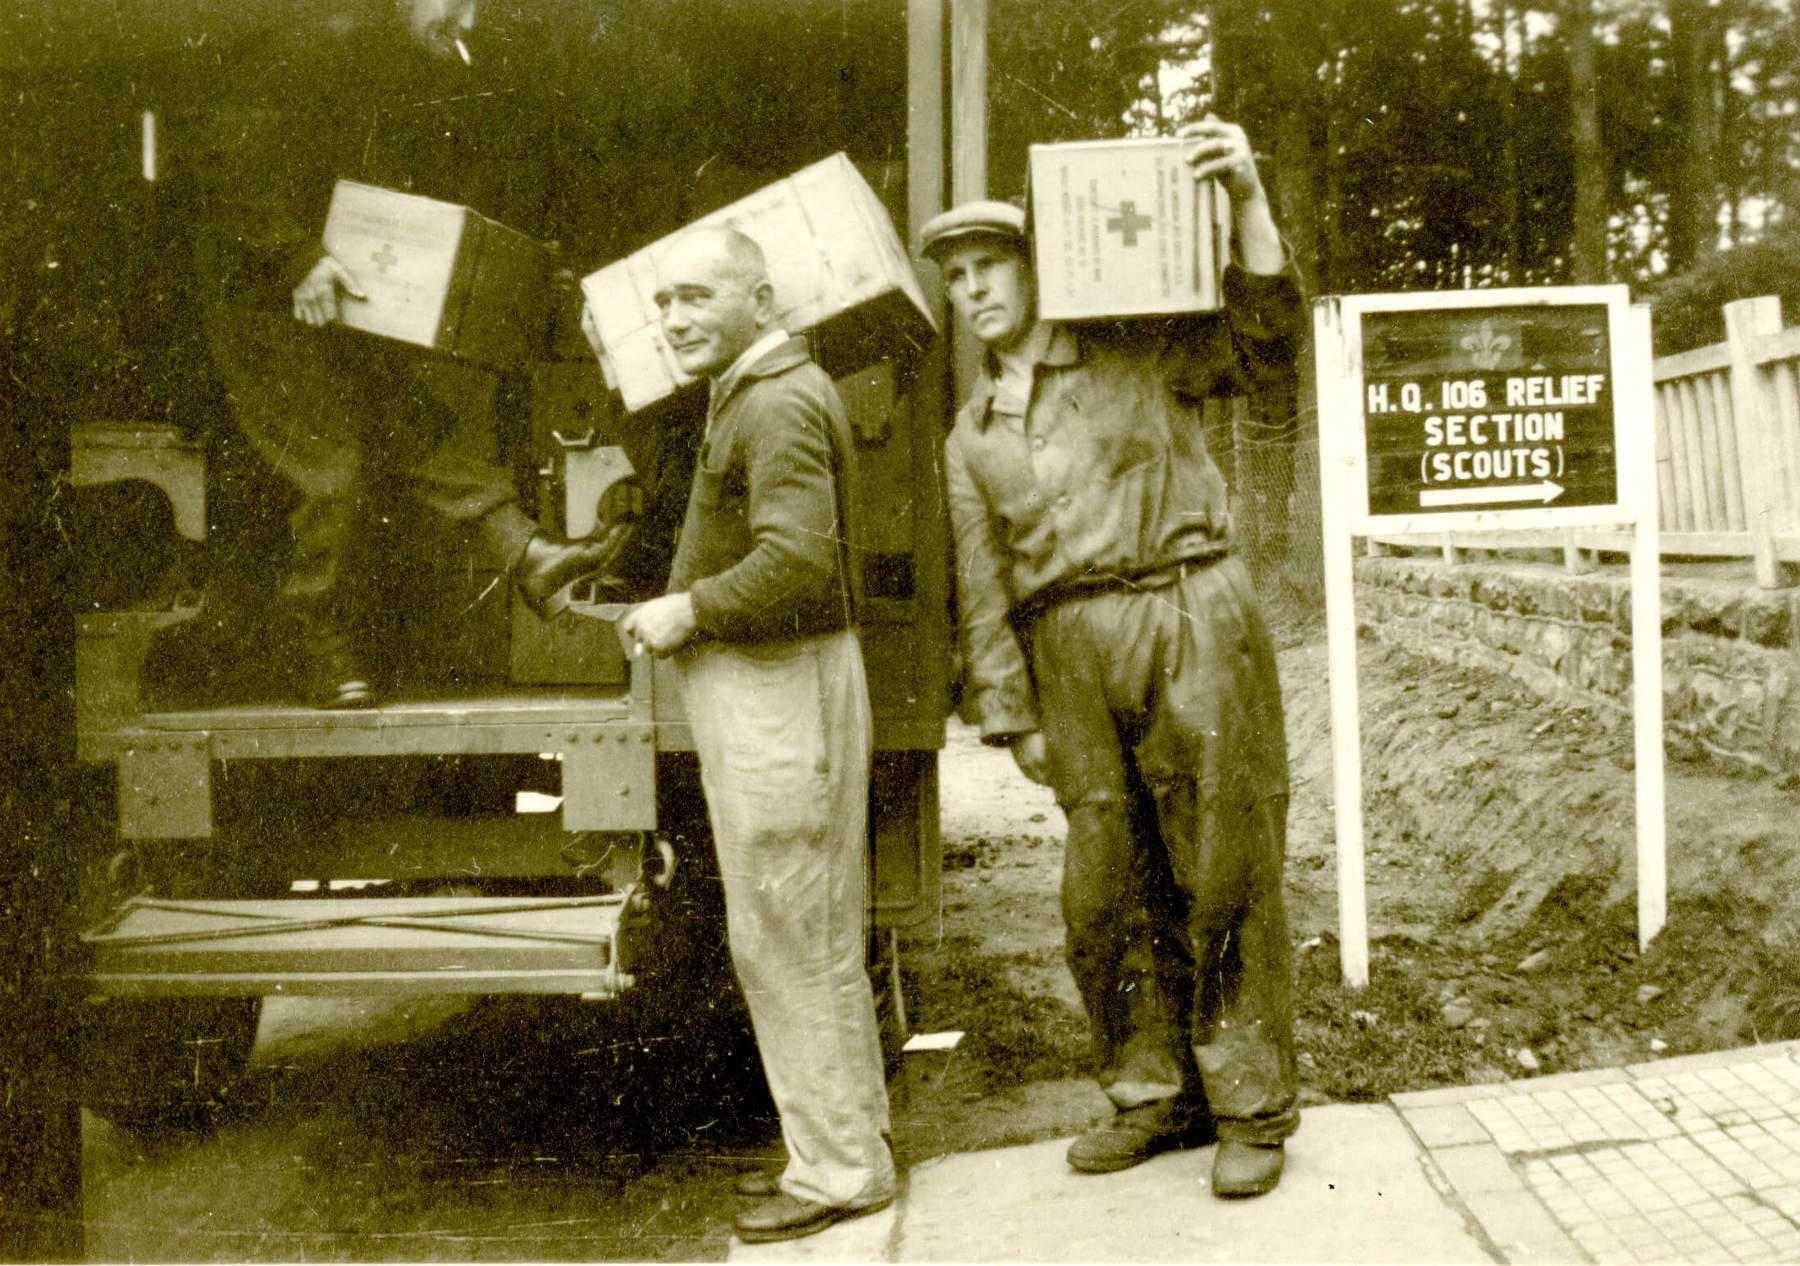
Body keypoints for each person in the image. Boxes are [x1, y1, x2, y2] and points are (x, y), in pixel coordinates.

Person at [922, 117, 1304, 1198]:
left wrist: (1249, 202)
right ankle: (1156, 1096)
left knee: (1222, 865)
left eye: (990, 266)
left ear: (1038, 268)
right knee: (1103, 898)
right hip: (1070, 660)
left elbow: (1266, 347)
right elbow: (983, 586)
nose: (975, 290)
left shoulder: (1140, 347)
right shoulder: (973, 433)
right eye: (957, 278)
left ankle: (1251, 1106)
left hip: (1190, 613)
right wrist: (1015, 715)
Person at [191, 0, 621, 709]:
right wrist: (294, 258)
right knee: (328, 467)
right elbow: (228, 162)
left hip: (345, 267)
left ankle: (530, 555)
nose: (470, 22)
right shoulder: (314, 36)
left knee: (415, 417)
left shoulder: (401, 55)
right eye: (458, 1)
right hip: (261, 289)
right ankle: (314, 644)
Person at [619, 226, 894, 1242]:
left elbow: (798, 566)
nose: (677, 318)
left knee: (791, 935)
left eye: (696, 296)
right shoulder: (761, 388)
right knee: (804, 932)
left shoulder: (775, 399)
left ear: (762, 298)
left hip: (780, 691)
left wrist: (682, 609)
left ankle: (837, 1172)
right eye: (665, 305)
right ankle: (846, 1151)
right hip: (774, 688)